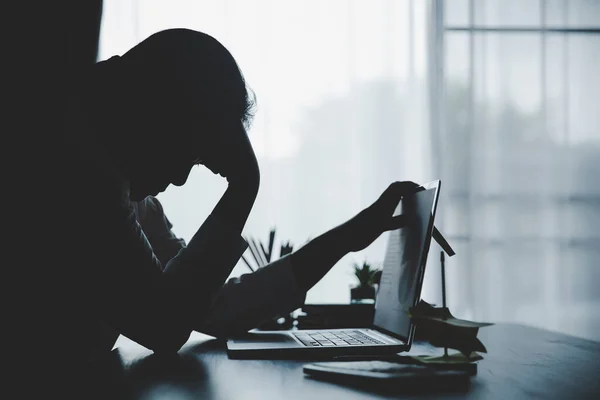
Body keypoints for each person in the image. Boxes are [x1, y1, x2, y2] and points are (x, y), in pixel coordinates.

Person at [33, 28, 420, 377]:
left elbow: (207, 305)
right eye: (188, 151)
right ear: (162, 111)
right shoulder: (83, 170)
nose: (181, 177)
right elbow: (165, 325)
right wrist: (244, 185)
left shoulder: (124, 179)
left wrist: (348, 237)